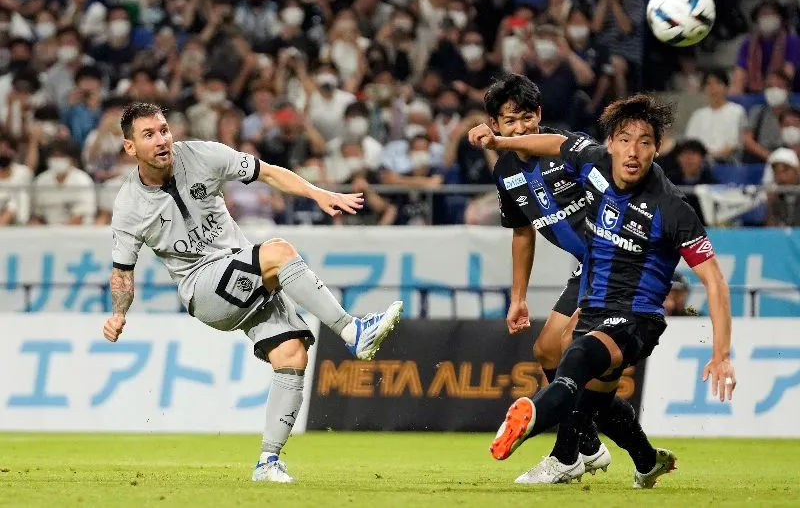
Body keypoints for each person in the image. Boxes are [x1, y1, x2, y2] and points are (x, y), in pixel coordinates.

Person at [102, 103, 403, 483]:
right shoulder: (129, 205)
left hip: (242, 275)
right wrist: (119, 313)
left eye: (163, 129)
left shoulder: (204, 155)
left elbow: (269, 172)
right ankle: (350, 331)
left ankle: (268, 462)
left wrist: (316, 193)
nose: (162, 140)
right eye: (149, 135)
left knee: (291, 353)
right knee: (277, 251)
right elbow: (122, 272)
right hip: (203, 289)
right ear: (130, 148)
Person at [469, 94, 736, 489]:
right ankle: (645, 460)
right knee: (591, 397)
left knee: (574, 355)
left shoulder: (671, 208)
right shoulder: (594, 162)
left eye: (645, 142)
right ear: (609, 143)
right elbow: (555, 144)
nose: (633, 151)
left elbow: (714, 280)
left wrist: (721, 355)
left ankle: (550, 445)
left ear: (657, 149)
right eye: (625, 140)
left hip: (637, 318)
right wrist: (500, 143)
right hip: (594, 299)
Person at [484, 73, 611, 483]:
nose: (519, 127)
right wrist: (518, 296)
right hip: (587, 266)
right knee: (545, 352)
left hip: (615, 259)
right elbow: (523, 232)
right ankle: (589, 442)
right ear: (495, 126)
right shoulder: (505, 170)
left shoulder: (567, 149)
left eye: (525, 117)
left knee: (574, 346)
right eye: (508, 121)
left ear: (539, 115)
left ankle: (566, 454)